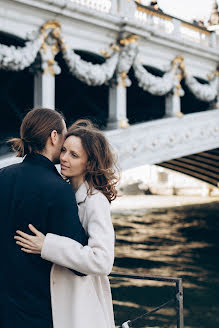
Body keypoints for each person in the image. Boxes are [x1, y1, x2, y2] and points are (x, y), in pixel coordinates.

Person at [14, 120, 119, 328]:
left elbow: (103, 261)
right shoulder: (63, 192)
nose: (63, 158)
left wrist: (47, 246)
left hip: (82, 307)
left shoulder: (95, 201)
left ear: (89, 164)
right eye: (63, 150)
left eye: (74, 155)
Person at [0, 108, 87, 328]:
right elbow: (80, 264)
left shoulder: (3, 176)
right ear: (54, 137)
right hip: (39, 312)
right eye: (64, 135)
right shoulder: (58, 189)